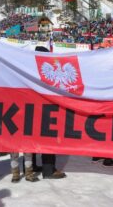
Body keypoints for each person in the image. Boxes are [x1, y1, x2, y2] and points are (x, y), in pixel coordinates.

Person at [35, 46, 66, 179]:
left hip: (32, 109)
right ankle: (48, 170)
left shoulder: (28, 68)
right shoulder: (43, 70)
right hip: (46, 110)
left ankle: (30, 167)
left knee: (30, 138)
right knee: (48, 139)